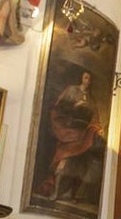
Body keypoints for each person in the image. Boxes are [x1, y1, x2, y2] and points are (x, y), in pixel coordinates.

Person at [45, 71, 105, 204]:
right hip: (69, 130)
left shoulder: (91, 98)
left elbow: (95, 118)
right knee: (64, 159)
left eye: (90, 79)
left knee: (77, 165)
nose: (88, 81)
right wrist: (74, 105)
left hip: (82, 134)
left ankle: (70, 194)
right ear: (82, 78)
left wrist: (97, 128)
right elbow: (59, 106)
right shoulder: (72, 90)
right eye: (86, 78)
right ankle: (55, 191)